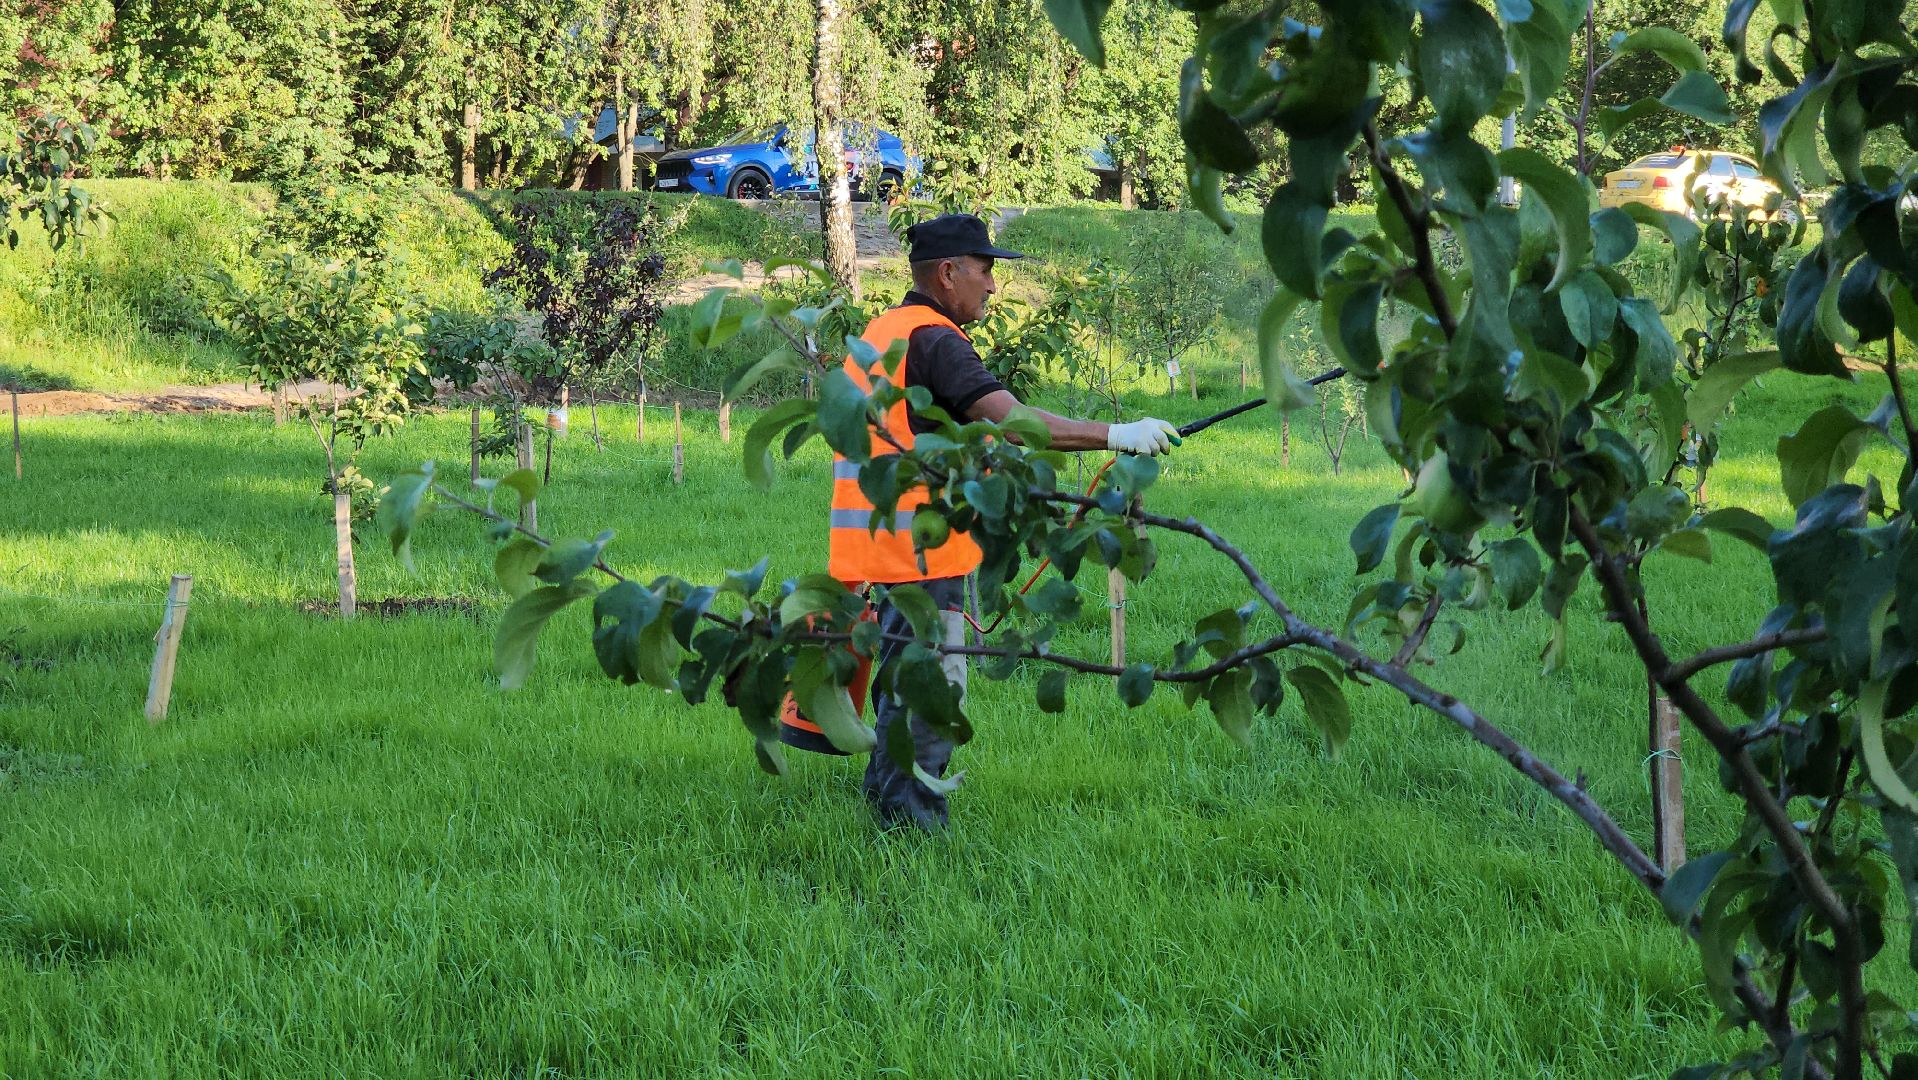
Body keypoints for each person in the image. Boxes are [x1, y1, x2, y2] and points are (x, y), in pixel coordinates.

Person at [780, 213, 1179, 831]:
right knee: (933, 689)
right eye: (985, 270)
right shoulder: (936, 339)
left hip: (879, 546)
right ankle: (911, 829)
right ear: (948, 272)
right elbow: (1013, 420)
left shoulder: (884, 330)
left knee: (902, 676)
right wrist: (1116, 433)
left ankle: (886, 799)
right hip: (922, 549)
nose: (993, 285)